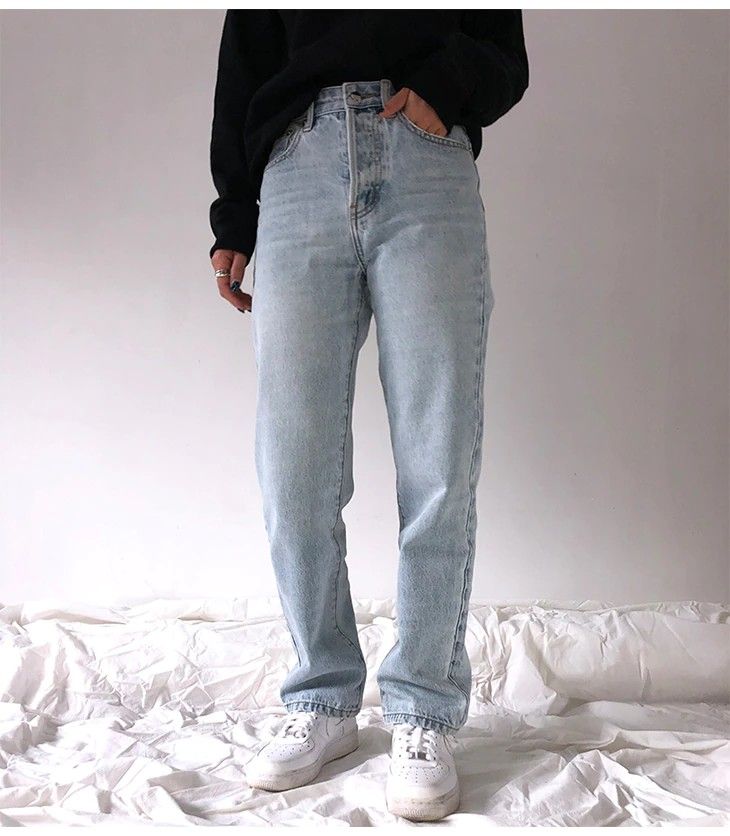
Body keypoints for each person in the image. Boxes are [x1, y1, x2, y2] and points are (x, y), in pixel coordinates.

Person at [208, 10, 528, 822]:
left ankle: (423, 708)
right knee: (293, 469)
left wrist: (443, 89)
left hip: (426, 157)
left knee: (438, 460)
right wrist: (234, 211)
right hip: (297, 164)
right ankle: (322, 696)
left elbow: (503, 48)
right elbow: (246, 54)